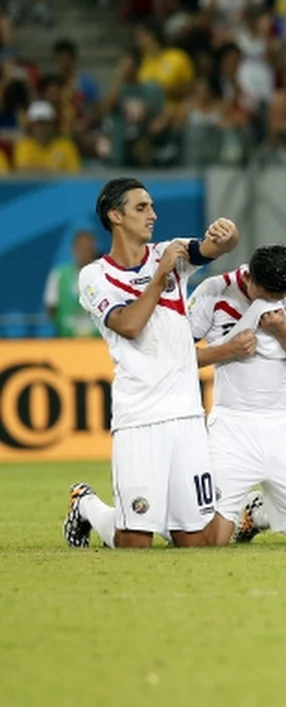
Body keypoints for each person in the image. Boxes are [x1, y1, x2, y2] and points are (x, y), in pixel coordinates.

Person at [62, 177, 239, 549]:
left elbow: (214, 247)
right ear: (115, 216)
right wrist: (159, 280)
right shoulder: (94, 276)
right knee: (134, 543)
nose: (153, 215)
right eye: (141, 208)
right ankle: (88, 505)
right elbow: (128, 325)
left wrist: (228, 235)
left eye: (152, 207)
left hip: (187, 416)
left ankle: (162, 515)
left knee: (197, 540)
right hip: (140, 417)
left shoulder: (169, 252)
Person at [188, 244, 286, 545]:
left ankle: (259, 514)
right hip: (231, 431)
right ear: (250, 279)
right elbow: (172, 359)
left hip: (282, 429)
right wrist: (225, 351)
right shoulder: (214, 291)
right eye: (264, 296)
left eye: (277, 299)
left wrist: (282, 331)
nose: (271, 305)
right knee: (209, 540)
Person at [44, 229, 99, 338]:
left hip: (98, 344)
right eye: (81, 248)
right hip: (67, 342)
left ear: (94, 250)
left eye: (88, 248)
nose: (84, 253)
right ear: (73, 249)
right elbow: (51, 308)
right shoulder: (59, 275)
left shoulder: (104, 274)